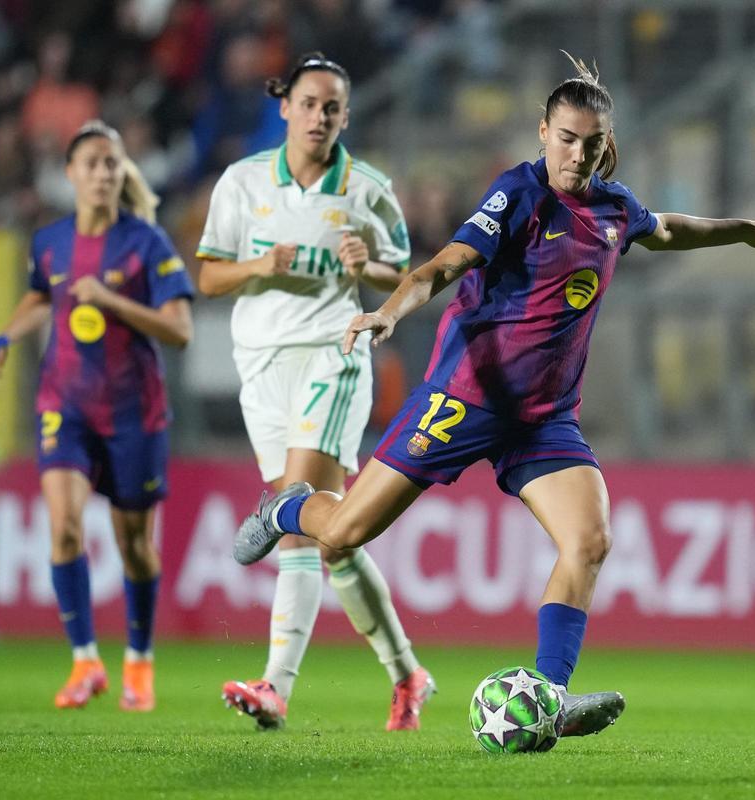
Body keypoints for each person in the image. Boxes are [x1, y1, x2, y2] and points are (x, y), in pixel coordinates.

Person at [231, 52, 755, 740]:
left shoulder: (616, 210)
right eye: (565, 139)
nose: (577, 155)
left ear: (607, 144)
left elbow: (669, 228)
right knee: (346, 532)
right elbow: (446, 263)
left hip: (543, 419)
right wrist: (390, 310)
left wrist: (740, 229)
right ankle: (290, 505)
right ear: (542, 132)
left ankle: (550, 693)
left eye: (591, 144)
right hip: (465, 397)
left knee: (589, 540)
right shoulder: (519, 194)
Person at [196, 52, 432, 732]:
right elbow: (208, 278)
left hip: (336, 354)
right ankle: (407, 673)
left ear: (345, 116)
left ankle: (275, 688)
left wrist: (375, 265)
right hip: (261, 367)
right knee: (334, 543)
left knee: (293, 514)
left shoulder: (368, 188)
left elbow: (408, 281)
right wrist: (258, 265)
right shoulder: (242, 183)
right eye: (308, 103)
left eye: (332, 106)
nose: (319, 116)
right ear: (285, 107)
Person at [0, 120, 194, 712]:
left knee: (134, 547)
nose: (104, 173)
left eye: (113, 163)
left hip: (136, 414)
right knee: (65, 528)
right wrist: (6, 336)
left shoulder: (147, 244)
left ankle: (137, 662)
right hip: (65, 406)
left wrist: (112, 301)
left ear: (121, 173)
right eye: (93, 163)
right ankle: (84, 661)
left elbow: (180, 330)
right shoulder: (49, 241)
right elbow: (41, 294)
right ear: (70, 174)